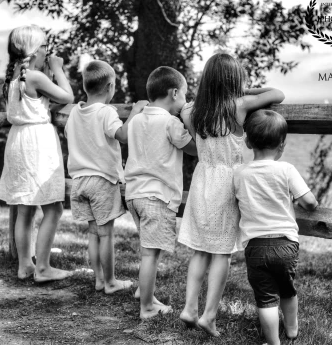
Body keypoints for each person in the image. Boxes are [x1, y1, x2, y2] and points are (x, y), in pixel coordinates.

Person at [178, 53, 285, 336]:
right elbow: (278, 93)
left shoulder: (190, 111)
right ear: (233, 81)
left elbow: (196, 145)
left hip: (202, 179)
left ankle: (190, 307)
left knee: (200, 249)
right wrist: (247, 90)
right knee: (222, 253)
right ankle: (209, 315)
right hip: (227, 183)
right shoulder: (239, 105)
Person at [0, 25, 74, 282]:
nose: (46, 52)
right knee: (53, 207)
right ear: (33, 49)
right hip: (37, 144)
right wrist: (58, 69)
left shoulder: (14, 76)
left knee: (25, 210)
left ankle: (25, 266)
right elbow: (68, 95)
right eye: (44, 47)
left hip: (18, 141)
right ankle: (43, 268)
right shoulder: (35, 77)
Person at [234, 109, 318, 345]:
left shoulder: (239, 173)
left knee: (266, 298)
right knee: (287, 290)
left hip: (256, 247)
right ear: (281, 146)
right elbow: (309, 202)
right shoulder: (287, 169)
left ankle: (273, 342)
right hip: (286, 244)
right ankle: (292, 330)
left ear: (248, 141)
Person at [65, 60, 147, 294]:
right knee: (106, 234)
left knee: (93, 233)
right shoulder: (106, 111)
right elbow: (121, 134)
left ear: (84, 86)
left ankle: (99, 279)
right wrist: (134, 112)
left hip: (79, 181)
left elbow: (68, 133)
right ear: (110, 86)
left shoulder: (74, 113)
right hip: (101, 181)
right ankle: (110, 282)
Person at [125, 66, 197, 319]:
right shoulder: (170, 123)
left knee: (147, 249)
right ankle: (146, 307)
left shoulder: (135, 121)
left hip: (133, 194)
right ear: (174, 92)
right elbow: (195, 150)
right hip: (157, 196)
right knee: (150, 254)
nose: (186, 101)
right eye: (185, 96)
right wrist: (189, 121)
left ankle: (145, 293)